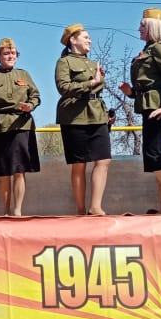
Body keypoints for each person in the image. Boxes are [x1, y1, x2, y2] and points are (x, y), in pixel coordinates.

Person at [119, 8, 161, 215]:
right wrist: (131, 93)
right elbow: (150, 83)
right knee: (159, 157)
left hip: (158, 108)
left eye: (142, 25)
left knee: (155, 156)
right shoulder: (148, 49)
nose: (139, 28)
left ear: (153, 27)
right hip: (149, 105)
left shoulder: (158, 48)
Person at [0, 38, 40, 216]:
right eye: (6, 53)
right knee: (4, 172)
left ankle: (17, 210)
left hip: (22, 124)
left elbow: (35, 96)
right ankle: (5, 211)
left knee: (19, 170)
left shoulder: (24, 75)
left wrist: (30, 105)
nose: (10, 56)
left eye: (13, 53)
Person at [55, 23, 112, 216]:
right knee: (79, 164)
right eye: (85, 37)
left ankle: (95, 207)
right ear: (73, 40)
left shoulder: (93, 63)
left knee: (104, 160)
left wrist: (107, 114)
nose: (90, 40)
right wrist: (91, 82)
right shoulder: (64, 62)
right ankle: (80, 210)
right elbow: (63, 87)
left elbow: (98, 89)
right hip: (74, 115)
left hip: (97, 114)